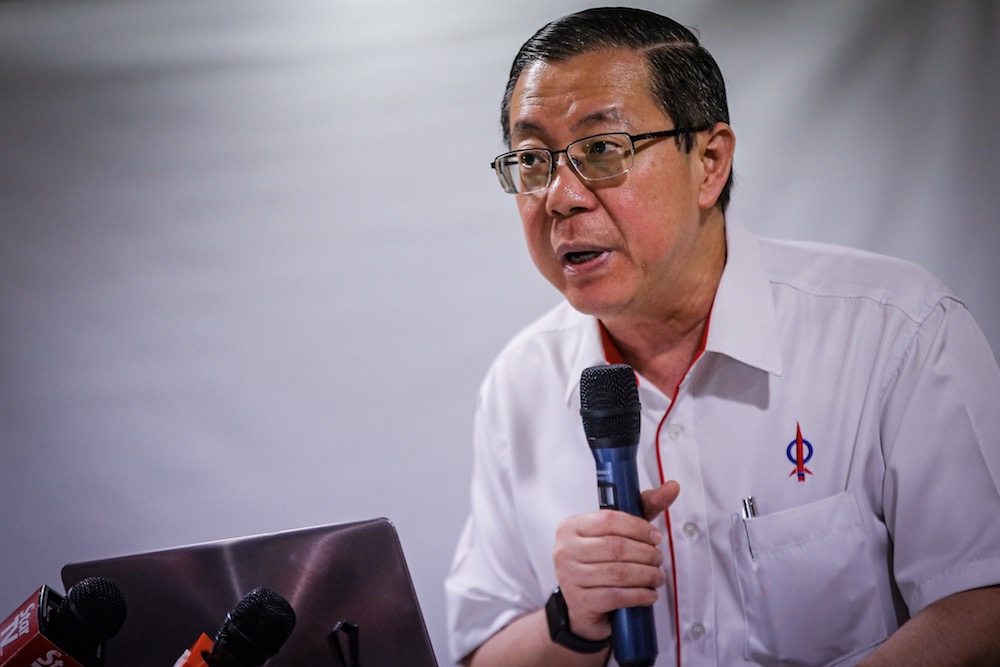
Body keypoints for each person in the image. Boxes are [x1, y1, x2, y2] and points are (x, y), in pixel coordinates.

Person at [445, 7, 1000, 667]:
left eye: (601, 149)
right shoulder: (519, 384)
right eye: (533, 159)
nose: (560, 196)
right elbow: (479, 653)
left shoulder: (896, 330)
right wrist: (571, 619)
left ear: (708, 162)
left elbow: (981, 598)